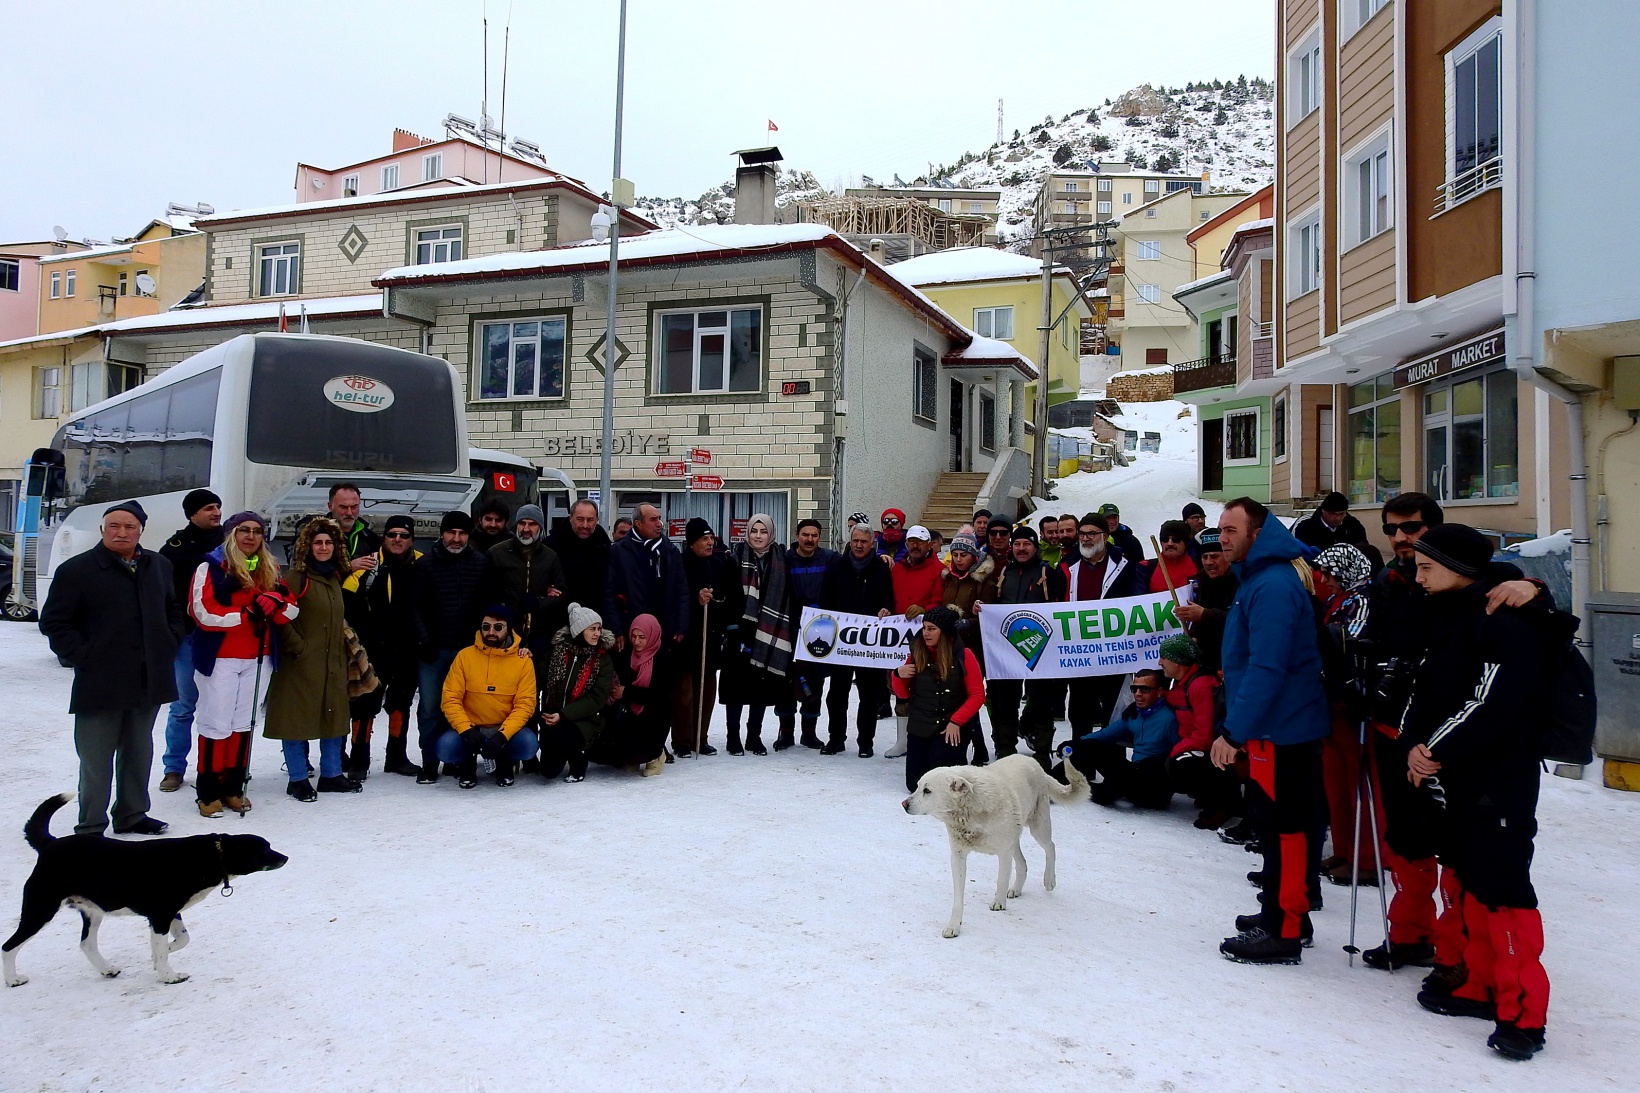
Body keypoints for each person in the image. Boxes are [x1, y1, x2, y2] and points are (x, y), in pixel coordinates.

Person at [1360, 492, 1542, 975]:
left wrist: (1534, 587)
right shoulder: (1389, 581)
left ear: (1435, 531)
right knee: (1405, 836)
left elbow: (1512, 595)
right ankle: (1410, 934)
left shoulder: (1482, 585)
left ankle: (1455, 954)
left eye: (1412, 527)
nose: (1400, 537)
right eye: (1391, 528)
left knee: (1457, 849)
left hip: (1446, 741)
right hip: (1396, 726)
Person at [1400, 524, 1558, 1061]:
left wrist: (1432, 748)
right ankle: (1478, 984)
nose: (1416, 575)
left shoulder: (1503, 621)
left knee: (1503, 888)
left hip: (1500, 778)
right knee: (1466, 874)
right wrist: (1413, 742)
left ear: (1459, 570)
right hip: (1462, 774)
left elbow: (1492, 701)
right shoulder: (1449, 614)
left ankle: (1523, 1014)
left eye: (1426, 567)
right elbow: (1429, 688)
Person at [1211, 497, 1330, 965]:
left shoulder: (1275, 585)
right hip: (1273, 727)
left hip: (1283, 729)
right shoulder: (1259, 578)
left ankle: (1285, 929)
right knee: (1275, 825)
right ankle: (1281, 912)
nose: (1222, 538)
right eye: (1220, 529)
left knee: (1285, 828)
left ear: (1257, 533)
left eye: (1231, 530)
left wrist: (1233, 731)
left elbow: (1267, 666)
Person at [38, 500, 184, 836]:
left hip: (148, 679)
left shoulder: (159, 566)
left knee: (138, 751)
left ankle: (132, 814)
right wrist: (84, 655)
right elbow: (55, 623)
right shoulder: (77, 570)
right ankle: (91, 825)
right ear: (103, 530)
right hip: (99, 681)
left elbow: (173, 609)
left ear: (140, 530)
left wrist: (168, 640)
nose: (122, 532)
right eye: (114, 526)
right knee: (96, 760)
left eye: (129, 526)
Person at [188, 511, 297, 816]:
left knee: (242, 722)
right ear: (231, 534)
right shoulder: (210, 567)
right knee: (216, 722)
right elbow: (202, 612)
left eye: (257, 531)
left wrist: (276, 602)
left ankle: (233, 786)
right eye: (243, 530)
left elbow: (291, 612)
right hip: (221, 656)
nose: (250, 536)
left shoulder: (271, 569)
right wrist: (244, 615)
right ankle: (208, 789)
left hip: (259, 657)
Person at [264, 517, 361, 801]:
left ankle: (331, 774)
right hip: (301, 663)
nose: (323, 547)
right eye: (318, 542)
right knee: (296, 719)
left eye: (328, 542)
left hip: (332, 662)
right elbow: (279, 616)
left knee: (333, 715)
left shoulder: (332, 576)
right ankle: (297, 779)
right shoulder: (295, 577)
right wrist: (299, 647)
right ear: (308, 546)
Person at [1309, 544, 1381, 887]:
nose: (1324, 580)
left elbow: (1352, 644)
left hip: (1354, 702)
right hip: (1331, 700)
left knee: (1359, 781)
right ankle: (1343, 847)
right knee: (1335, 779)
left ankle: (1366, 856)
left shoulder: (1363, 599)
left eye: (1329, 574)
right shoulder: (1336, 600)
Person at [411, 510, 491, 784]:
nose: (456, 539)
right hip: (434, 650)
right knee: (432, 708)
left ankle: (457, 759)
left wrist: (480, 641)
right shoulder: (426, 564)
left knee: (464, 707)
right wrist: (425, 640)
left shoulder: (480, 563)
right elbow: (414, 607)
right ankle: (430, 761)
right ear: (442, 533)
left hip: (469, 651)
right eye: (451, 533)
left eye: (462, 533)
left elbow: (485, 607)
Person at [342, 513, 423, 778]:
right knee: (364, 706)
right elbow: (346, 605)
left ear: (412, 539)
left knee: (400, 703)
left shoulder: (424, 564)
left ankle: (397, 757)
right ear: (384, 537)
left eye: (404, 535)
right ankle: (358, 761)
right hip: (371, 650)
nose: (397, 539)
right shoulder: (367, 564)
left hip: (408, 648)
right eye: (392, 535)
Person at [156, 488, 225, 792]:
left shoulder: (231, 541)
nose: (216, 513)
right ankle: (174, 768)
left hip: (224, 636)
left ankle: (215, 767)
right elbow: (162, 593)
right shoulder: (175, 549)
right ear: (192, 513)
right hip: (188, 636)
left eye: (218, 507)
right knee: (183, 706)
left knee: (220, 707)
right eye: (209, 508)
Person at [981, 525, 1067, 768]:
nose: (1021, 548)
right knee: (1004, 701)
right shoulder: (1004, 572)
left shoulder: (1048, 572)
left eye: (1026, 544)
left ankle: (1041, 753)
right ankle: (1005, 750)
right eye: (1017, 544)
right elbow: (994, 603)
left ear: (1035, 547)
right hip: (1006, 651)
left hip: (1040, 650)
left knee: (1041, 701)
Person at [1058, 513, 1144, 734]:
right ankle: (1080, 762)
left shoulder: (1125, 567)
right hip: (1080, 655)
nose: (1086, 538)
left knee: (1113, 714)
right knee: (1079, 712)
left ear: (1105, 537)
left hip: (1113, 656)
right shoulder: (1066, 567)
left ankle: (1111, 763)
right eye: (1083, 534)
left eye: (1092, 534)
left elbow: (1137, 603)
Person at [435, 606, 540, 788]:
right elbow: (450, 698)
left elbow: (525, 705)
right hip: (471, 727)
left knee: (528, 744)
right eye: (486, 626)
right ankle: (467, 764)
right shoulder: (464, 657)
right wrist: (466, 730)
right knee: (445, 748)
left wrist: (503, 735)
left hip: (503, 728)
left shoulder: (522, 661)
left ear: (508, 629)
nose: (491, 632)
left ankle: (504, 762)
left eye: (498, 627)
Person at [719, 514, 796, 756]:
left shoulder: (781, 559)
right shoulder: (734, 558)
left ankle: (754, 736)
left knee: (759, 688)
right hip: (740, 632)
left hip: (769, 632)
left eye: (763, 531)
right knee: (735, 688)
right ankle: (733, 737)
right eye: (754, 531)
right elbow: (728, 596)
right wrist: (733, 629)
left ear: (771, 533)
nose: (759, 536)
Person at [819, 524, 895, 756]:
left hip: (868, 642)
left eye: (864, 541)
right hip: (841, 642)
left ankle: (865, 741)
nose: (859, 545)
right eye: (855, 541)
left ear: (872, 543)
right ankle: (836, 738)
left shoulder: (881, 569)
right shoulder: (836, 566)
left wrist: (886, 609)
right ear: (849, 542)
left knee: (868, 695)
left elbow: (889, 598)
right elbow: (825, 597)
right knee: (836, 694)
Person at [892, 607, 985, 793]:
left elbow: (978, 695)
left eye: (932, 628)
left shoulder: (964, 655)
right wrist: (897, 675)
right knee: (915, 785)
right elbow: (903, 695)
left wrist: (956, 721)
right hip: (921, 723)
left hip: (950, 726)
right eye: (924, 627)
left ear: (944, 631)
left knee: (944, 784)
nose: (926, 633)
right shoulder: (916, 653)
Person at [1064, 668, 1178, 809]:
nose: (1138, 694)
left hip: (1155, 788)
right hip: (1135, 776)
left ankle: (1093, 791)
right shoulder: (1135, 714)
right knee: (1090, 746)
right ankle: (1052, 781)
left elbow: (1180, 753)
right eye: (1134, 689)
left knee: (1126, 774)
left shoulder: (1169, 718)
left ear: (1159, 692)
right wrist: (1075, 744)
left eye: (1145, 689)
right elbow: (1104, 735)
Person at [1158, 634, 1238, 830]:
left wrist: (1176, 750)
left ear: (1178, 661)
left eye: (1164, 657)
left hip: (1216, 749)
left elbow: (1204, 736)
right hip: (1200, 746)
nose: (1160, 662)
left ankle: (1223, 802)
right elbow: (1180, 702)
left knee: (1178, 765)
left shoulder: (1200, 685)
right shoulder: (1182, 682)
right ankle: (1211, 796)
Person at [674, 518, 738, 757]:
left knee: (707, 687)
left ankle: (701, 736)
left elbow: (727, 594)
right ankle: (682, 739)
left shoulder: (718, 562)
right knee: (685, 690)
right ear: (691, 542)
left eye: (711, 538)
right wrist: (695, 599)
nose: (709, 543)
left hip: (710, 635)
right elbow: (676, 597)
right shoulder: (681, 564)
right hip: (687, 636)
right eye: (704, 539)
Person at [885, 525, 946, 759]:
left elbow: (941, 602)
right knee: (898, 686)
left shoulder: (939, 570)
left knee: (922, 690)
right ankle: (902, 741)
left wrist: (925, 610)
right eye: (911, 541)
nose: (915, 546)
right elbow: (889, 596)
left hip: (925, 641)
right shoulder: (897, 569)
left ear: (929, 544)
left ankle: (922, 739)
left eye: (920, 542)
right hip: (897, 641)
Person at [538, 603, 618, 782]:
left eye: (599, 628)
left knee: (564, 734)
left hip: (586, 720)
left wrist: (563, 714)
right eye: (592, 629)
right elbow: (538, 678)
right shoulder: (557, 652)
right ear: (579, 630)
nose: (597, 633)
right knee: (548, 771)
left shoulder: (602, 659)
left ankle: (579, 757)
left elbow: (597, 699)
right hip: (553, 716)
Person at [591, 613, 671, 777]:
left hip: (654, 718)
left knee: (636, 746)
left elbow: (659, 697)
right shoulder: (627, 654)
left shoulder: (663, 657)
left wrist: (626, 693)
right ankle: (635, 756)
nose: (637, 641)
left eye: (642, 637)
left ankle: (656, 754)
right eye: (634, 636)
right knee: (616, 755)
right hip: (631, 714)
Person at [940, 531, 993, 765]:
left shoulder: (984, 581)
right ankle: (970, 745)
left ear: (974, 556)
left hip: (972, 649)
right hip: (950, 646)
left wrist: (968, 623)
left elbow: (990, 616)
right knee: (955, 697)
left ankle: (979, 747)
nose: (959, 559)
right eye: (956, 555)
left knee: (970, 697)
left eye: (964, 555)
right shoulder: (948, 579)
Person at [485, 503, 567, 654]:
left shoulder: (550, 557)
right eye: (522, 523)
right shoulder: (497, 554)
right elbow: (486, 592)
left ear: (540, 527)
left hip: (539, 635)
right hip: (505, 633)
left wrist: (539, 602)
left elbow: (562, 595)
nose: (526, 529)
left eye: (532, 524)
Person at [605, 503, 689, 649]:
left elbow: (681, 590)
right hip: (631, 632)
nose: (659, 524)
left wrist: (681, 625)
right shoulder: (619, 552)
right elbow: (608, 593)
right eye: (653, 520)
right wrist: (617, 629)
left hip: (665, 632)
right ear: (638, 524)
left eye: (659, 519)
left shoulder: (670, 551)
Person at [785, 519, 836, 749]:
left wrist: (882, 558)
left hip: (819, 629)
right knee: (786, 680)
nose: (809, 539)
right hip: (789, 627)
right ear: (797, 536)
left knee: (815, 681)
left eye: (814, 535)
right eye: (805, 534)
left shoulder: (829, 558)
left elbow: (855, 564)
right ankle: (785, 732)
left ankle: (809, 732)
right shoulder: (785, 559)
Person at [1175, 529, 1237, 672]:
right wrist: (1193, 634)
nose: (1209, 562)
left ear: (1227, 556)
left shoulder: (1241, 581)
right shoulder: (1199, 581)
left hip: (1231, 661)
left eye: (1214, 556)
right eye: (1205, 557)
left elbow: (1240, 619)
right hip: (1205, 663)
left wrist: (1204, 615)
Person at [547, 499, 613, 629]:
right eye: (580, 519)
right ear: (570, 518)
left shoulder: (605, 546)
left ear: (597, 520)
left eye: (590, 520)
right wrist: (544, 588)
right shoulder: (551, 545)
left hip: (595, 620)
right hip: (558, 620)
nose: (585, 525)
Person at [324, 482, 381, 574]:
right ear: (330, 506)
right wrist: (348, 568)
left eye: (354, 507)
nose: (349, 513)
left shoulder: (370, 538)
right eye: (343, 507)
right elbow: (311, 572)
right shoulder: (316, 535)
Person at [1293, 491, 1370, 552]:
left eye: (1341, 514)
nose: (1337, 518)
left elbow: (1363, 550)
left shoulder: (1354, 526)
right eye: (1333, 514)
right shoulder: (1306, 527)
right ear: (1323, 511)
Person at [1146, 520, 1200, 593]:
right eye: (1165, 539)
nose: (1170, 543)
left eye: (1176, 540)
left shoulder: (1199, 566)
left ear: (1186, 542)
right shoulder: (1146, 568)